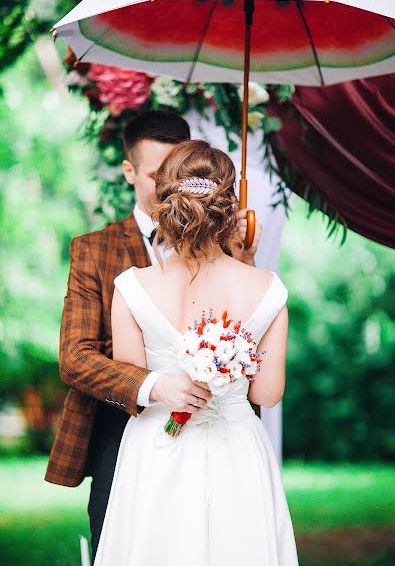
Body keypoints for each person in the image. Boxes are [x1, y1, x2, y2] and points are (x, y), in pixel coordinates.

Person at [44, 110, 263, 560]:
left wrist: (245, 260)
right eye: (153, 176)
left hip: (216, 433)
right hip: (123, 430)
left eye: (173, 175)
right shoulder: (94, 248)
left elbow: (250, 329)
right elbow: (75, 356)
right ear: (129, 171)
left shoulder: (227, 248)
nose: (168, 191)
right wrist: (153, 384)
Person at [93, 140, 299, 565]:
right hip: (237, 449)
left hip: (157, 447)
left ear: (165, 202)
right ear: (231, 208)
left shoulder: (131, 287)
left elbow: (130, 385)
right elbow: (266, 395)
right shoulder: (269, 288)